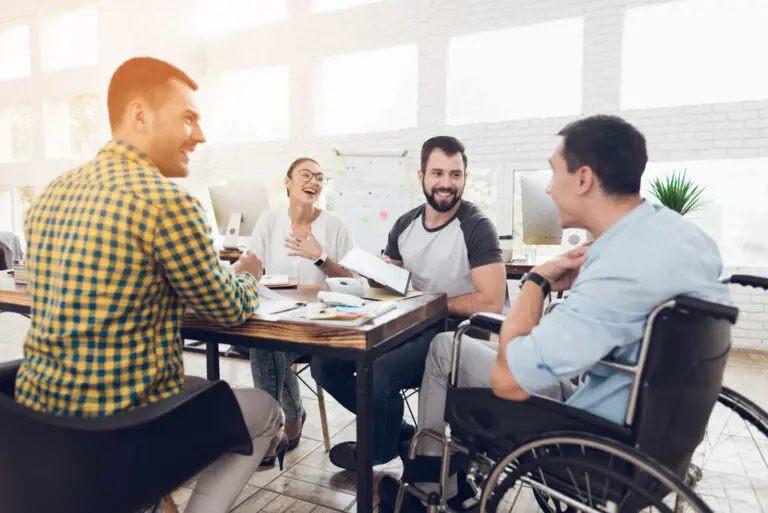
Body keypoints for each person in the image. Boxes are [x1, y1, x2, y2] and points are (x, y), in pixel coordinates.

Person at [380, 114, 732, 508]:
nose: (548, 189)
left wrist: (535, 283)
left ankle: (431, 482)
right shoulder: (684, 235)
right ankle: (439, 474)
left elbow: (509, 381)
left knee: (449, 347)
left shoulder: (618, 266)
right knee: (448, 346)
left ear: (582, 179)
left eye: (553, 174)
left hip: (590, 437)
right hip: (651, 422)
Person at [13, 56, 285, 513]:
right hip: (123, 436)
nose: (199, 135)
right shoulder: (167, 203)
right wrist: (249, 274)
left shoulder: (48, 197)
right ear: (140, 115)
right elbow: (228, 309)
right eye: (188, 118)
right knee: (263, 411)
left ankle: (155, 501)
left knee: (192, 386)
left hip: (44, 429)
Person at [311, 136, 507, 471]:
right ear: (421, 176)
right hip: (407, 327)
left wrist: (429, 302)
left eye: (455, 175)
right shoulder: (405, 224)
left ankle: (377, 450)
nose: (446, 183)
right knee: (325, 364)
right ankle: (398, 434)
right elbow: (393, 285)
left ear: (465, 178)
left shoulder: (477, 227)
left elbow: (490, 299)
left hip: (455, 336)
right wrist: (380, 274)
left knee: (378, 374)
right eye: (437, 173)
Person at [248, 157, 355, 466]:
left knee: (267, 345)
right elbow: (252, 266)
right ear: (288, 181)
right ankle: (281, 425)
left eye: (320, 178)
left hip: (319, 328)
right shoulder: (269, 220)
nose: (314, 182)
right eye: (306, 175)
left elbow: (353, 281)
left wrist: (320, 256)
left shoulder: (335, 226)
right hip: (278, 319)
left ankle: (275, 430)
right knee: (264, 340)